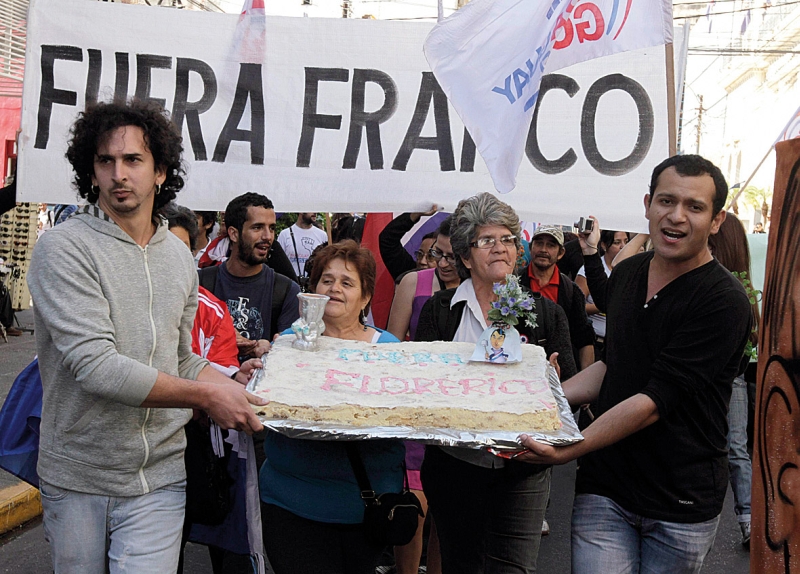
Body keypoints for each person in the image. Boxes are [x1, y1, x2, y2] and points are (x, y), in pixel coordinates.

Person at [26, 100, 265, 573]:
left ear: (160, 172)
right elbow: (96, 367)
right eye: (105, 161)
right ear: (90, 173)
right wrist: (205, 397)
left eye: (133, 160)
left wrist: (240, 388)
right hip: (79, 477)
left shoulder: (178, 258)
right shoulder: (64, 248)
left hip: (160, 478)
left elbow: (183, 358)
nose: (119, 173)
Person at [519, 154, 753, 574]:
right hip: (605, 487)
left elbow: (654, 400)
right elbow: (614, 366)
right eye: (666, 201)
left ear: (716, 221)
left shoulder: (724, 301)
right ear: (647, 204)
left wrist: (571, 448)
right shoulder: (627, 275)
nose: (676, 216)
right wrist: (543, 391)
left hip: (679, 501)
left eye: (694, 207)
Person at [414, 192, 576, 574]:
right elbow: (423, 384)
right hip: (455, 467)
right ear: (466, 256)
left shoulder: (546, 313)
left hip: (524, 467)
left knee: (514, 569)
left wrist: (552, 383)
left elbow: (568, 383)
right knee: (461, 565)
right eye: (487, 240)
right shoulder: (440, 313)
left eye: (507, 239)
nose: (500, 248)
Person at [259, 240, 406, 574]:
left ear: (366, 297)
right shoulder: (286, 344)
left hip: (365, 510)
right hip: (290, 505)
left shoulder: (389, 351)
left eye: (347, 282)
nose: (335, 289)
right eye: (327, 280)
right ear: (313, 290)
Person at [199, 193, 301, 363]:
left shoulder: (286, 291)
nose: (268, 236)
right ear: (234, 234)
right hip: (211, 385)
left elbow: (291, 360)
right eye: (257, 227)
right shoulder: (201, 283)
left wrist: (270, 349)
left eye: (272, 228)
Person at [708, 213, 759, 548]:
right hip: (728, 377)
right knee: (734, 449)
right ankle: (746, 522)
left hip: (725, 378)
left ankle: (746, 521)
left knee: (729, 449)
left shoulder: (734, 288)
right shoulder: (742, 286)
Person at [520, 225, 596, 370]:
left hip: (560, 370)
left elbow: (584, 338)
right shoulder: (514, 283)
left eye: (550, 245)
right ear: (531, 248)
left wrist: (583, 378)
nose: (543, 250)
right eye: (539, 243)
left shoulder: (571, 291)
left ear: (561, 253)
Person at [387, 216, 459, 341]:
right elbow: (392, 344)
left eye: (452, 257)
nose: (442, 263)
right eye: (437, 253)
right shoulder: (412, 282)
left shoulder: (482, 285)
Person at [575, 229, 630, 353]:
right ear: (604, 245)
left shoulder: (630, 270)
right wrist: (607, 304)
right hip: (597, 343)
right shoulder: (588, 271)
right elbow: (576, 307)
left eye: (626, 241)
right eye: (617, 242)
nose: (623, 247)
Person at [378, 206, 439, 281]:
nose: (422, 261)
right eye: (420, 254)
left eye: (431, 256)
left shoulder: (454, 287)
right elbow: (388, 239)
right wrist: (414, 215)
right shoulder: (409, 275)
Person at [277, 212, 328, 281]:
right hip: (290, 283)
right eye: (311, 209)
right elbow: (279, 263)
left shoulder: (322, 235)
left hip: (312, 284)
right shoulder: (285, 234)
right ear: (301, 211)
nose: (315, 212)